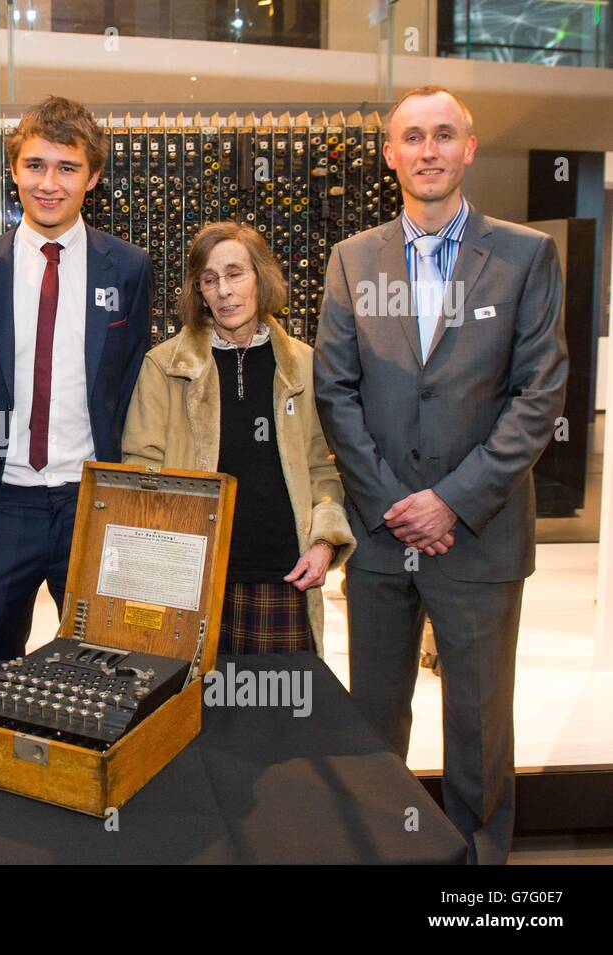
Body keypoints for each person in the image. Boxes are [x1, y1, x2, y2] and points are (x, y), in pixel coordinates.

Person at [314, 85, 568, 864]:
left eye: (444, 135)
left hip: (480, 536)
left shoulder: (526, 255)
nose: (428, 150)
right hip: (386, 539)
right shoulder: (353, 260)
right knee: (376, 719)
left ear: (469, 147)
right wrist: (396, 505)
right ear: (390, 153)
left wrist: (452, 501)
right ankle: (385, 851)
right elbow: (336, 391)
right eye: (413, 137)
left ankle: (477, 878)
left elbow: (541, 392)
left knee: (480, 727)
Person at [0, 95, 152, 661]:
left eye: (67, 167)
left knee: (103, 664)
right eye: (35, 165)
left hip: (93, 500)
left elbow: (132, 376)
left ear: (93, 177)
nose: (49, 183)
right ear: (14, 169)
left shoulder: (129, 268)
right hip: (0, 505)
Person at [122, 221, 354, 654]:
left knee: (279, 713)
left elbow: (322, 466)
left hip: (285, 576)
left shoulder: (303, 364)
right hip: (194, 580)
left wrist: (324, 543)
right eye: (209, 280)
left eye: (235, 273)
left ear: (260, 277)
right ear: (199, 292)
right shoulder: (165, 365)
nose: (224, 290)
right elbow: (140, 468)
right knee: (194, 716)